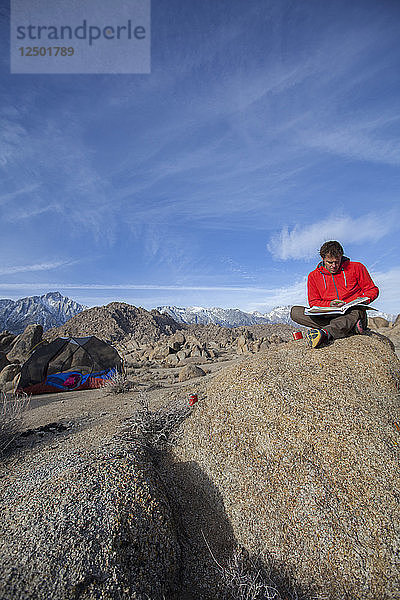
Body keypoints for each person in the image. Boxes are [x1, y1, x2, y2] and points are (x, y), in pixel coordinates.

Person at [291, 241, 379, 348]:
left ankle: (325, 333)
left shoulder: (357, 267)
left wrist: (363, 299)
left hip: (352, 312)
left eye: (337, 261)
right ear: (323, 259)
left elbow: (372, 290)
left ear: (341, 257)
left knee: (356, 311)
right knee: (295, 312)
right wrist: (330, 304)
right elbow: (313, 302)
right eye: (330, 262)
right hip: (329, 314)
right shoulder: (313, 276)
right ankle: (349, 329)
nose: (334, 266)